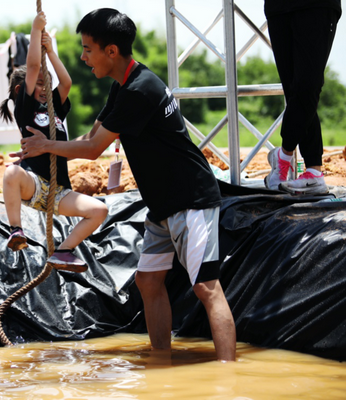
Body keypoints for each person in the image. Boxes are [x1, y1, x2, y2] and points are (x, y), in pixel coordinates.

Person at [17, 8, 236, 361]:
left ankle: (229, 376)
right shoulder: (123, 86)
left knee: (207, 288)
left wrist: (46, 146)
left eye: (88, 49)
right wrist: (48, 149)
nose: (84, 58)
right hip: (163, 204)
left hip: (191, 199)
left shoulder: (139, 89)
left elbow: (92, 149)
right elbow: (91, 134)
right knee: (148, 283)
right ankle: (162, 359)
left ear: (111, 51)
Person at [0, 11, 108, 273]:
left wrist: (51, 51)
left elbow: (66, 82)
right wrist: (35, 31)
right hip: (34, 184)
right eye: (39, 84)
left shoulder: (54, 108)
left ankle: (64, 251)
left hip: (59, 192)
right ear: (20, 91)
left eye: (47, 83)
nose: (45, 87)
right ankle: (15, 230)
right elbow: (33, 66)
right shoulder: (25, 108)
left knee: (99, 211)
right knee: (11, 173)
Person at [264, 0, 341, 194]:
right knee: (294, 91)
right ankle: (314, 172)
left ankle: (283, 155)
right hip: (278, 7)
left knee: (308, 86)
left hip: (317, 5)